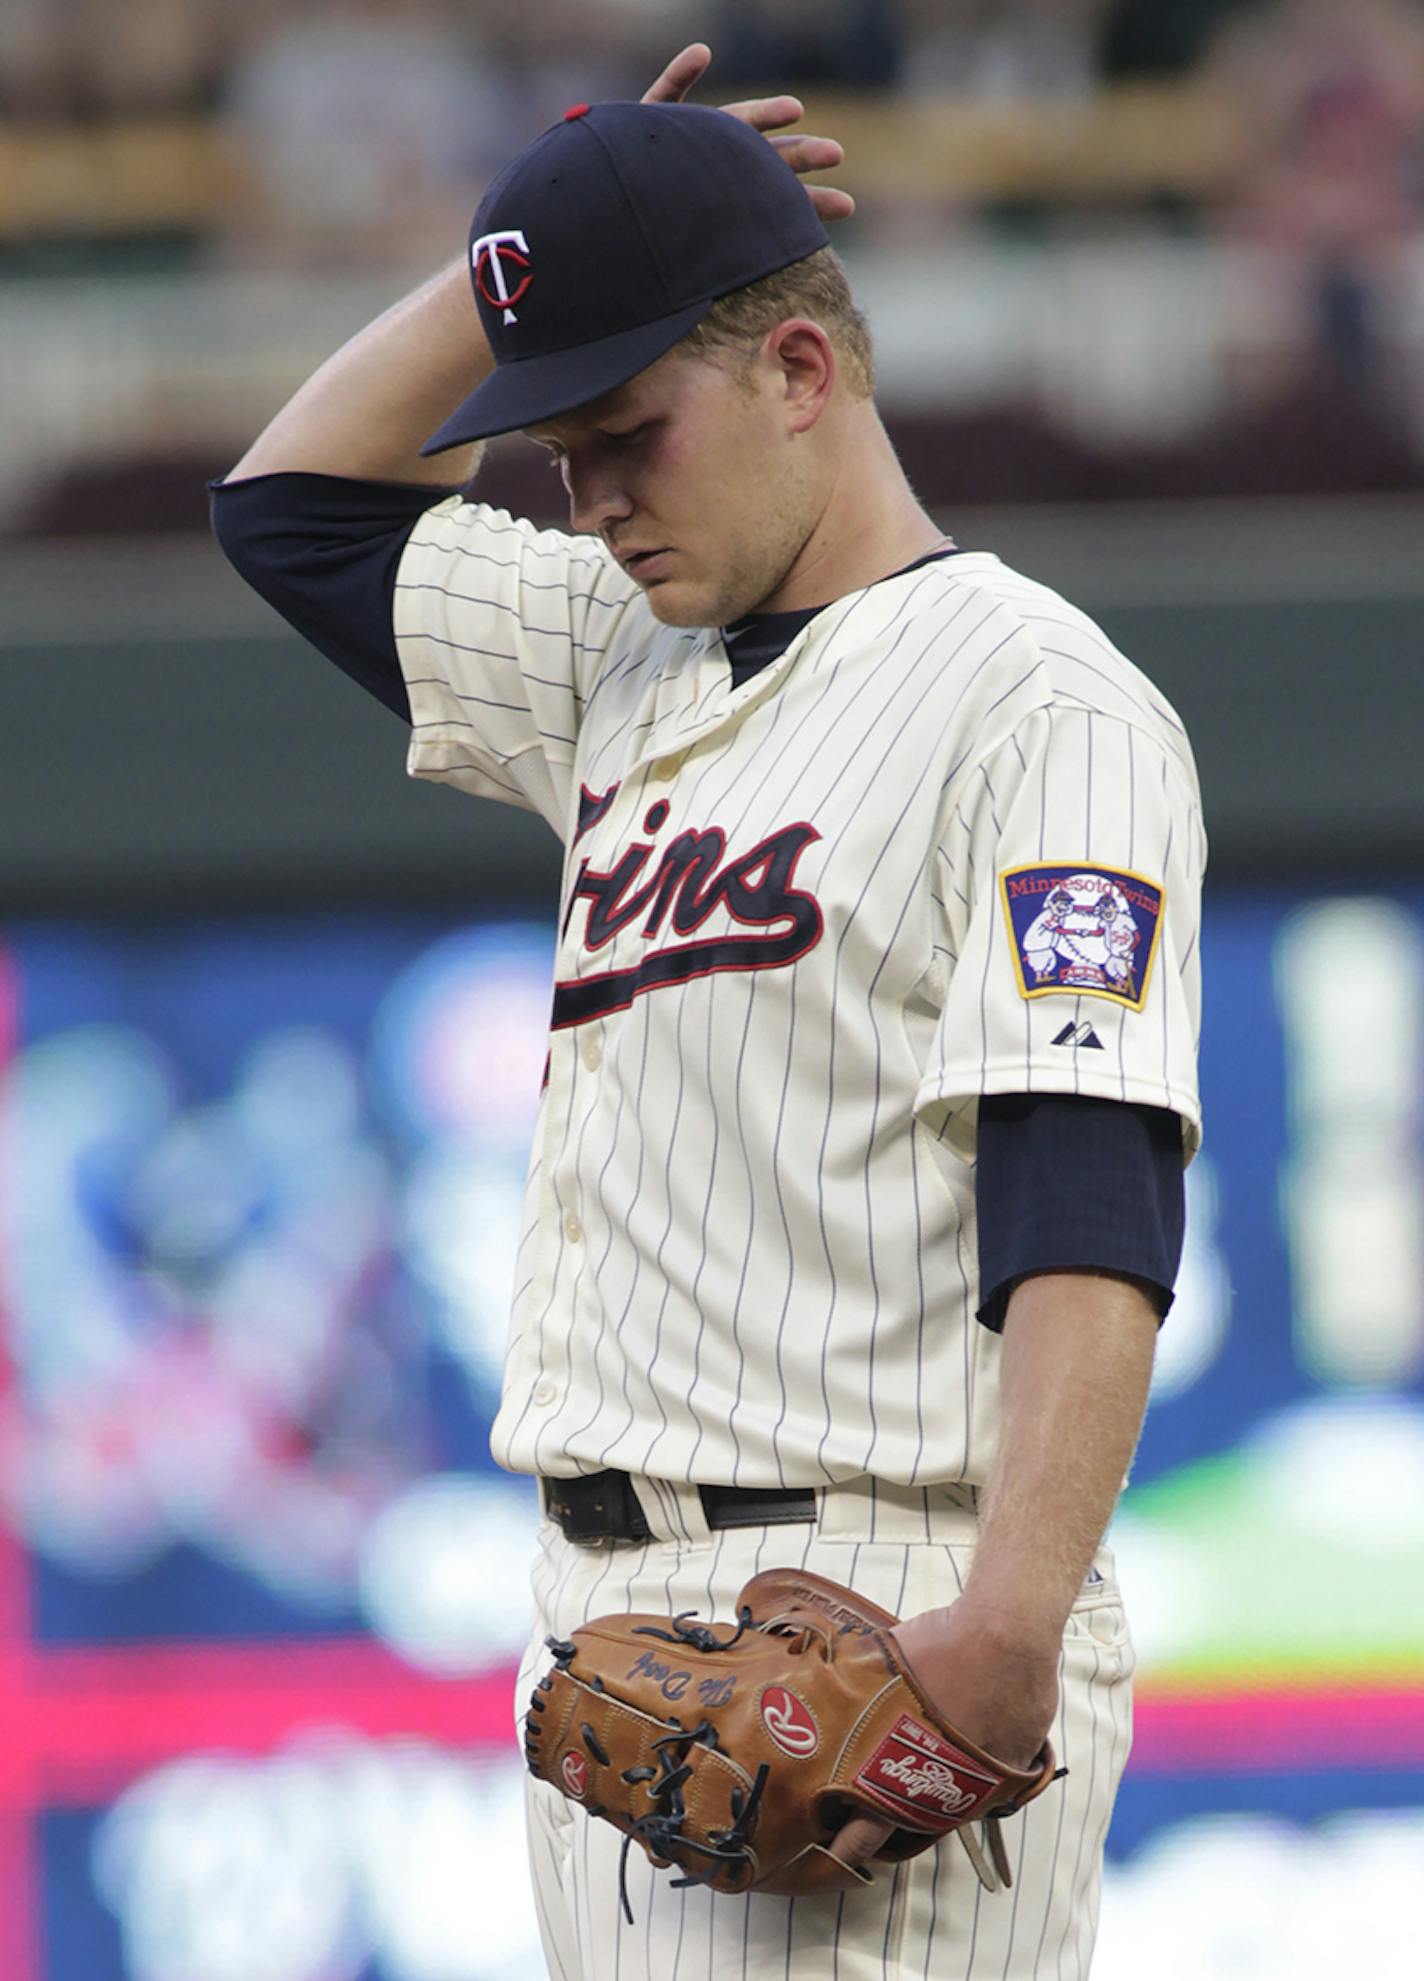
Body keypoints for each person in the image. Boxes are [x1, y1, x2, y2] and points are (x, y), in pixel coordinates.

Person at [212, 40, 1204, 1980]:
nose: (583, 503)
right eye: (555, 448)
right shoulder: (622, 653)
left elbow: (1086, 1185)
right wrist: (530, 250)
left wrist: (1004, 1630)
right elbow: (291, 516)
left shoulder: (1037, 702)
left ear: (803, 374)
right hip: (609, 1626)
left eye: (624, 432)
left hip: (879, 1603)